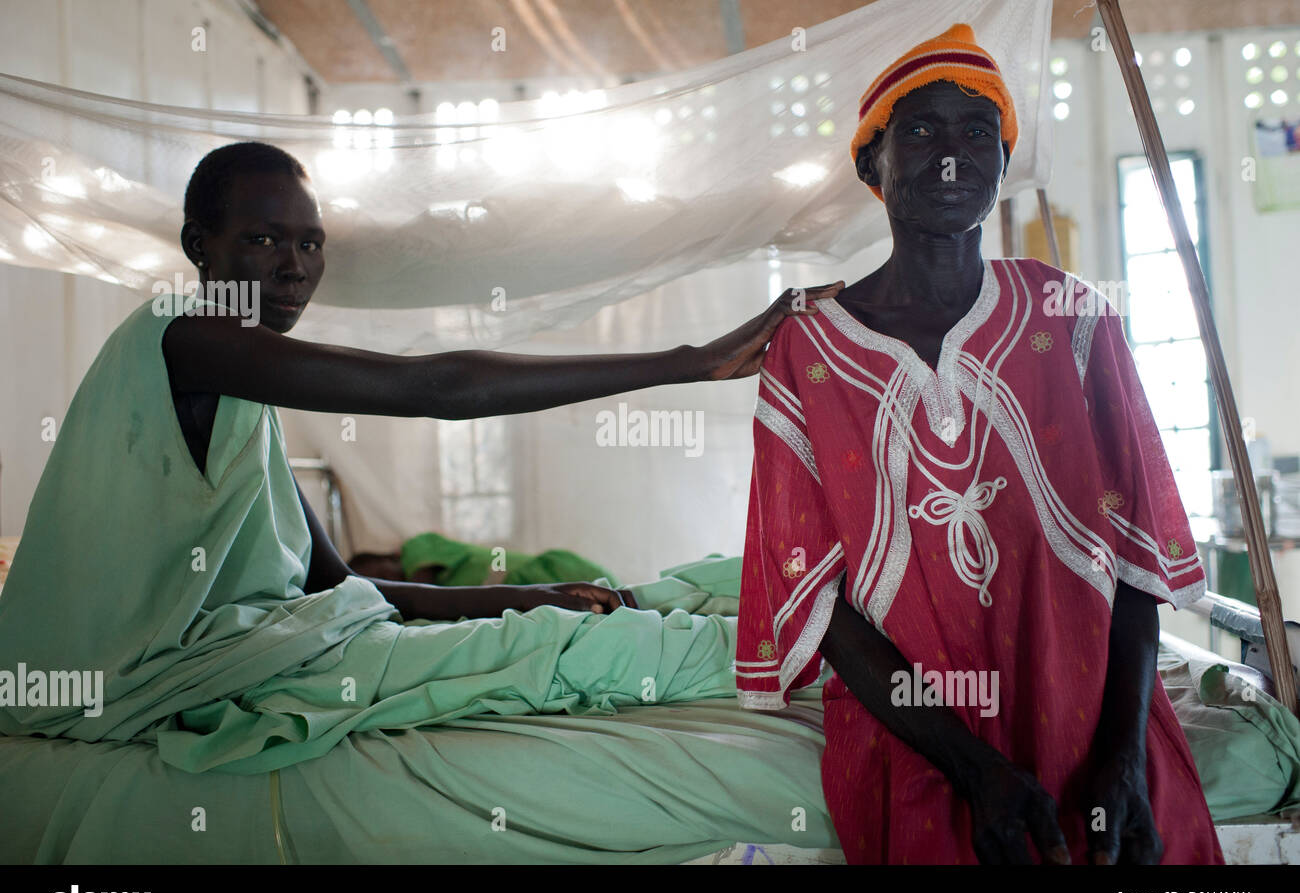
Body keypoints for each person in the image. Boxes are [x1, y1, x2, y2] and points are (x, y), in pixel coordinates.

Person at [0, 140, 840, 765]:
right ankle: (811, 669)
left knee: (591, 615)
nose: (295, 268)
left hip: (252, 647)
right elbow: (432, 388)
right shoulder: (184, 337)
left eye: (309, 242)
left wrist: (521, 594)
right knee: (579, 649)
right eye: (262, 240)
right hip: (125, 681)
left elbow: (338, 585)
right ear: (199, 246)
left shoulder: (240, 398)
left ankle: (783, 639)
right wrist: (686, 362)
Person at [735, 23, 1223, 864]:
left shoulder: (1074, 319)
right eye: (920, 131)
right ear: (870, 165)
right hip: (920, 743)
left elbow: (1136, 554)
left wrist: (1121, 755)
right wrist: (975, 770)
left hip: (1093, 722)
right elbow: (821, 604)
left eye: (977, 133)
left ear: (1002, 164)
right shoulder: (807, 354)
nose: (952, 154)